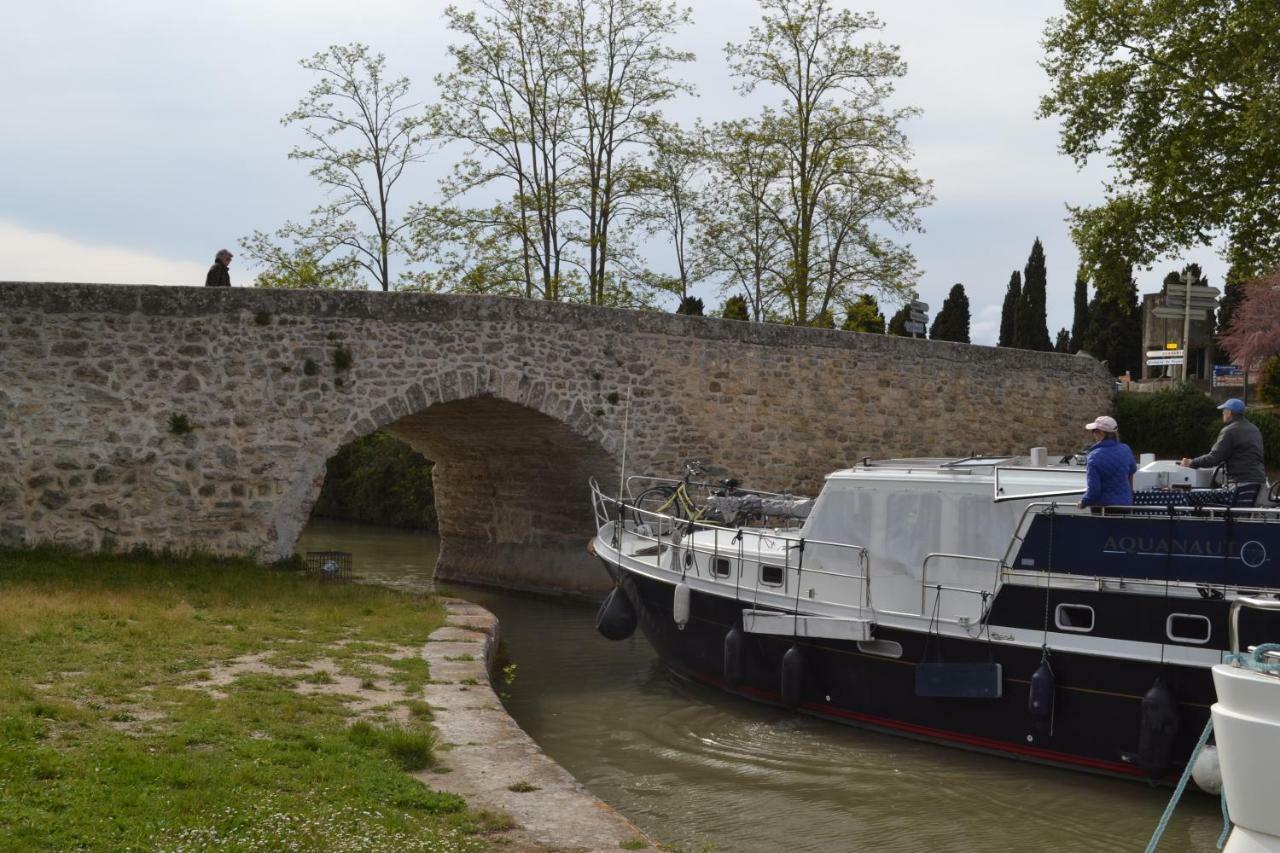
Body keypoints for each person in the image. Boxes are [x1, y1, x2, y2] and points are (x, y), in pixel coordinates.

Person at [1179, 398, 1267, 505]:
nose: (1222, 413)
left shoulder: (1229, 431)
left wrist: (1192, 462)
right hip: (1259, 483)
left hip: (1240, 484)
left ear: (1229, 413)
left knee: (1207, 506)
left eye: (1224, 411)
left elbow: (1214, 458)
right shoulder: (1255, 429)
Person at [1078, 415, 1136, 508]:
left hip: (1103, 508)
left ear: (1101, 433)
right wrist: (1130, 497)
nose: (1093, 434)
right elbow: (1131, 474)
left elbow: (1094, 490)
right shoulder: (1126, 449)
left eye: (1094, 431)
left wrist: (1084, 502)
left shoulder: (1094, 457)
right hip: (1126, 505)